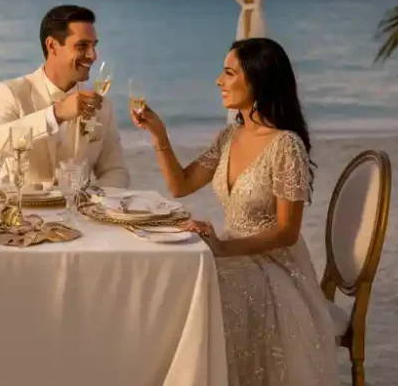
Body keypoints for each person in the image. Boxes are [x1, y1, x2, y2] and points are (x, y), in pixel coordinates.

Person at [131, 37, 336, 386]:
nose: (218, 81)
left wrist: (223, 248)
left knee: (203, 292)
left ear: (257, 80)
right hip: (230, 253)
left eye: (228, 73)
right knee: (179, 280)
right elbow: (181, 184)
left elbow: (287, 231)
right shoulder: (231, 135)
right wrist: (157, 133)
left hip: (273, 265)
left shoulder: (286, 146)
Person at [0, 4, 130, 188]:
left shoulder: (102, 106)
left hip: (78, 214)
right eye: (82, 45)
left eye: (94, 45)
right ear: (52, 46)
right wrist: (55, 114)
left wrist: (92, 198)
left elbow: (115, 170)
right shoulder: (11, 92)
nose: (93, 55)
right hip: (21, 212)